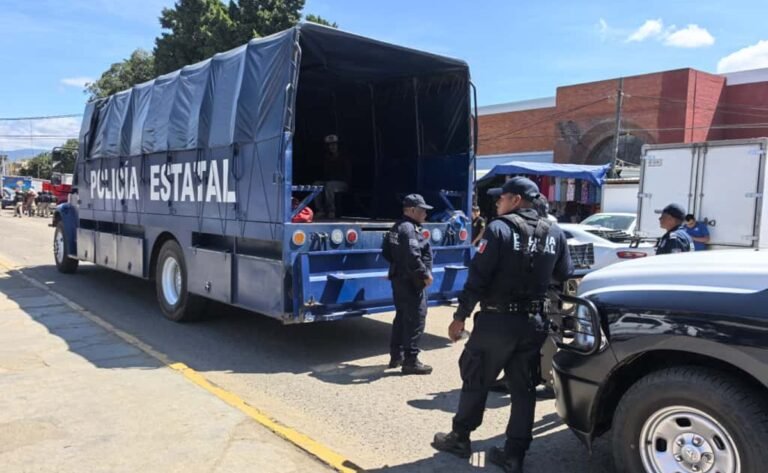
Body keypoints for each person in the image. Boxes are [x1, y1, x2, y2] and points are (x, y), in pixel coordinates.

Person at [431, 177, 573, 473]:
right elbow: (564, 273)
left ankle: (460, 438)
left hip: (497, 321)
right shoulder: (554, 232)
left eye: (502, 198)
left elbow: (478, 278)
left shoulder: (498, 229)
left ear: (516, 200)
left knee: (476, 377)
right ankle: (514, 455)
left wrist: (460, 316)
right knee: (523, 388)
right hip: (533, 323)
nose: (497, 202)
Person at [383, 194, 434, 375]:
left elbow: (386, 251)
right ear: (411, 210)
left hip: (399, 279)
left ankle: (396, 356)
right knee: (415, 319)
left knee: (401, 317)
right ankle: (411, 361)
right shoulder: (409, 229)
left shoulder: (396, 227)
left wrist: (397, 266)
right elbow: (413, 255)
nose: (425, 214)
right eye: (422, 210)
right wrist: (424, 274)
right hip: (411, 281)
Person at [314, 134, 351, 219]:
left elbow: (347, 174)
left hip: (343, 183)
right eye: (330, 145)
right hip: (329, 182)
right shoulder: (327, 157)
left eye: (334, 144)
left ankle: (331, 210)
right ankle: (320, 210)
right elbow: (326, 173)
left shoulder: (344, 157)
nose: (332, 147)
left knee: (330, 185)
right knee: (317, 184)